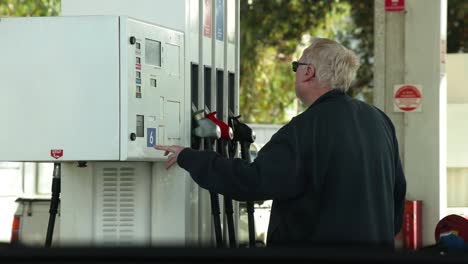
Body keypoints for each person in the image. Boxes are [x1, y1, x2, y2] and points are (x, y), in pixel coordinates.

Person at [155, 37, 406, 248]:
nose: (296, 70)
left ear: (309, 72)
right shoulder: (379, 121)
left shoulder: (305, 129)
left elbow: (254, 182)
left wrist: (190, 157)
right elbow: (396, 202)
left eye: (297, 65)